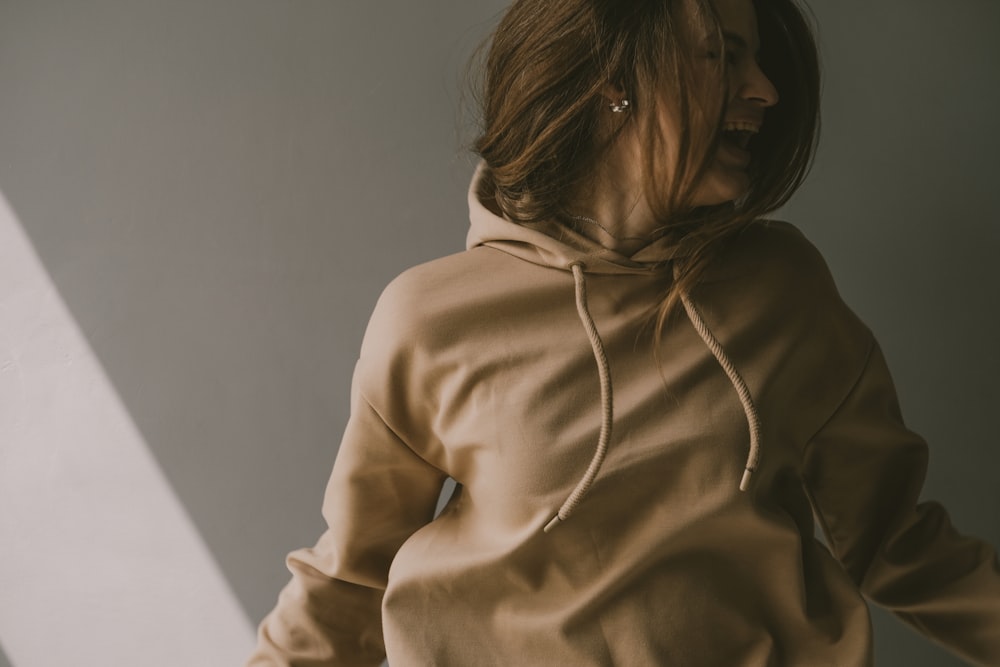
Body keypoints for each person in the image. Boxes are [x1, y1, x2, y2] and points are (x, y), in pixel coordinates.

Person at [247, 0, 1000, 664]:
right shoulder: (430, 316)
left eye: (760, 62)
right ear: (615, 82)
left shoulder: (785, 291)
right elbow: (348, 580)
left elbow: (901, 545)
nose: (764, 90)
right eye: (726, 56)